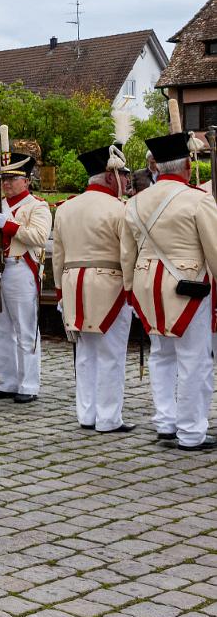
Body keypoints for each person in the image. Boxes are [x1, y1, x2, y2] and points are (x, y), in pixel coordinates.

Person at [124, 132, 217, 450]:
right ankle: (191, 432)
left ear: (157, 167)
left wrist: (128, 289)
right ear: (187, 168)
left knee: (161, 356)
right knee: (195, 360)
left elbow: (127, 254)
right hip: (187, 287)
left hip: (147, 286)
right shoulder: (198, 200)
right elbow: (214, 250)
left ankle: (166, 422)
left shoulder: (134, 201)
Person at [53, 144, 136, 434]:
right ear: (110, 175)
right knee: (111, 354)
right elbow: (128, 255)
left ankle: (87, 414)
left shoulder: (65, 208)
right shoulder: (120, 209)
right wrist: (132, 289)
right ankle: (109, 418)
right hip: (110, 283)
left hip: (74, 284)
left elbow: (58, 258)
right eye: (123, 175)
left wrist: (61, 293)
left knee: (86, 354)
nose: (126, 181)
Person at [0, 152, 53, 404]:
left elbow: (38, 237)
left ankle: (29, 384)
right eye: (4, 178)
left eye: (13, 179)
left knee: (25, 330)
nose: (7, 183)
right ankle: (7, 381)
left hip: (19, 267)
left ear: (26, 181)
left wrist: (10, 225)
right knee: (0, 330)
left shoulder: (37, 206)